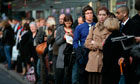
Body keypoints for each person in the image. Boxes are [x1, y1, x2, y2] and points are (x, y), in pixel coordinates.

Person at [84, 7, 109, 84]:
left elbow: (106, 46)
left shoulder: (109, 28)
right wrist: (100, 44)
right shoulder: (93, 28)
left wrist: (94, 43)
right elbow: (87, 43)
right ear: (97, 16)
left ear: (107, 16)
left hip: (103, 60)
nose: (101, 17)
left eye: (104, 15)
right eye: (100, 14)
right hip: (92, 60)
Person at [116, 6, 140, 84]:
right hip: (120, 58)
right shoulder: (118, 25)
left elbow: (134, 43)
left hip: (130, 58)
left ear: (125, 13)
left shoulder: (133, 24)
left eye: (118, 13)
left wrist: (128, 55)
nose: (116, 15)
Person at [73, 5, 96, 84]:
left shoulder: (97, 26)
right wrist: (79, 53)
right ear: (84, 15)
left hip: (95, 53)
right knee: (83, 77)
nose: (89, 15)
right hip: (83, 54)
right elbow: (75, 41)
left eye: (91, 13)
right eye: (87, 13)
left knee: (94, 77)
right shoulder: (80, 27)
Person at [101, 18, 124, 84]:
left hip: (110, 70)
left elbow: (107, 57)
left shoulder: (111, 39)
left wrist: (104, 70)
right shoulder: (121, 35)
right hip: (119, 68)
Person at [55, 14, 73, 84]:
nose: (68, 24)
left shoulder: (74, 29)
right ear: (64, 22)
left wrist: (72, 36)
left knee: (68, 75)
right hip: (62, 54)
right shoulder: (60, 29)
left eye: (70, 22)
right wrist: (64, 38)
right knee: (60, 75)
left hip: (71, 54)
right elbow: (57, 42)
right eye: (66, 22)